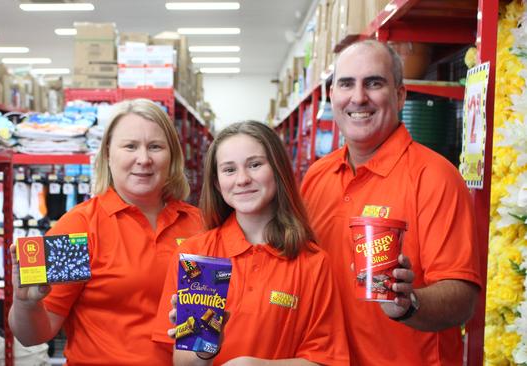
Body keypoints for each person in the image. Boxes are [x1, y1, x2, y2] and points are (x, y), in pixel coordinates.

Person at [300, 39, 482, 365]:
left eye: (374, 83)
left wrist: (408, 303)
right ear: (332, 96)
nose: (358, 97)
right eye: (346, 84)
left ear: (399, 96)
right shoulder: (317, 177)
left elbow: (462, 298)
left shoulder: (435, 176)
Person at [8, 98, 204, 365]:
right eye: (130, 146)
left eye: (155, 147)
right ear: (108, 154)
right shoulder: (79, 227)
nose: (144, 159)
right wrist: (26, 304)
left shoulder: (197, 224)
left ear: (172, 157)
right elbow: (34, 336)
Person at [153, 121, 350, 365]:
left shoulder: (312, 262)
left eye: (255, 165)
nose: (243, 179)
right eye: (229, 170)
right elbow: (183, 363)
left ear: (277, 171)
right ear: (216, 183)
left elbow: (326, 359)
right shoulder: (196, 257)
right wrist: (206, 350)